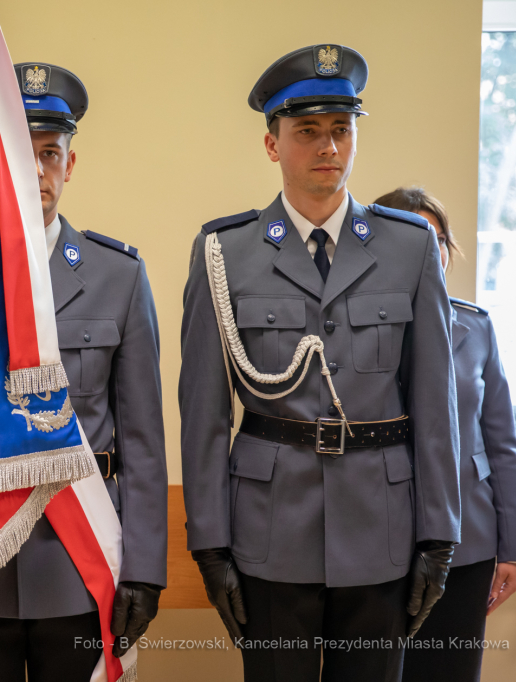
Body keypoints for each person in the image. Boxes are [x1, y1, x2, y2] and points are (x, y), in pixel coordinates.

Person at [179, 45, 461, 682]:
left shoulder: (408, 247)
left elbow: (435, 404)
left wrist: (438, 535)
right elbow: (202, 411)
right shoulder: (224, 251)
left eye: (341, 129)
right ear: (273, 145)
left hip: (381, 533)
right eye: (307, 131)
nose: (327, 146)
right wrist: (210, 543)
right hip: (269, 532)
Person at [0, 62, 168, 682]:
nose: (39, 170)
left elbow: (144, 443)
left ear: (70, 164)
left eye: (52, 153)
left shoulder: (117, 276)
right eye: (24, 152)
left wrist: (145, 571)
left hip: (81, 560)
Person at [374, 187, 516, 682]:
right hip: (378, 542)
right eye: (412, 236)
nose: (429, 249)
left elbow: (501, 445)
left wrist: (514, 549)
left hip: (469, 543)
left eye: (436, 238)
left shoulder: (477, 326)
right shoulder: (358, 332)